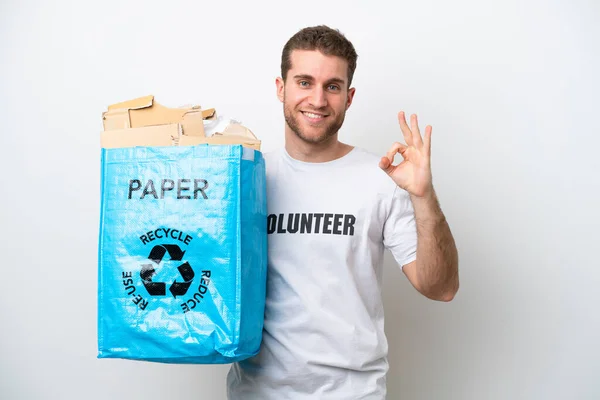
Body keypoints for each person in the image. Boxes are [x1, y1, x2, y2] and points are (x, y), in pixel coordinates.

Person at [227, 25, 459, 399]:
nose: (318, 100)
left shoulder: (383, 179)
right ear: (280, 87)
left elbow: (441, 288)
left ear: (349, 97)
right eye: (305, 82)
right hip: (257, 392)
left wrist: (423, 196)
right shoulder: (246, 180)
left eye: (332, 86)